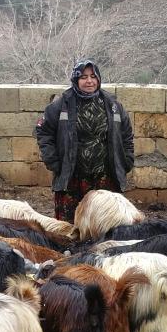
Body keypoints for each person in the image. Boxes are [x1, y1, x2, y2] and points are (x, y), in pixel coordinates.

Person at [34, 59, 135, 223]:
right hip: (72, 179)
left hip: (105, 178)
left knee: (105, 223)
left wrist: (127, 160)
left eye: (93, 77)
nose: (89, 81)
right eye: (83, 77)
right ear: (76, 79)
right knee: (70, 226)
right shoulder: (61, 105)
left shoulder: (113, 105)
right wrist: (53, 162)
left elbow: (126, 134)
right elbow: (43, 131)